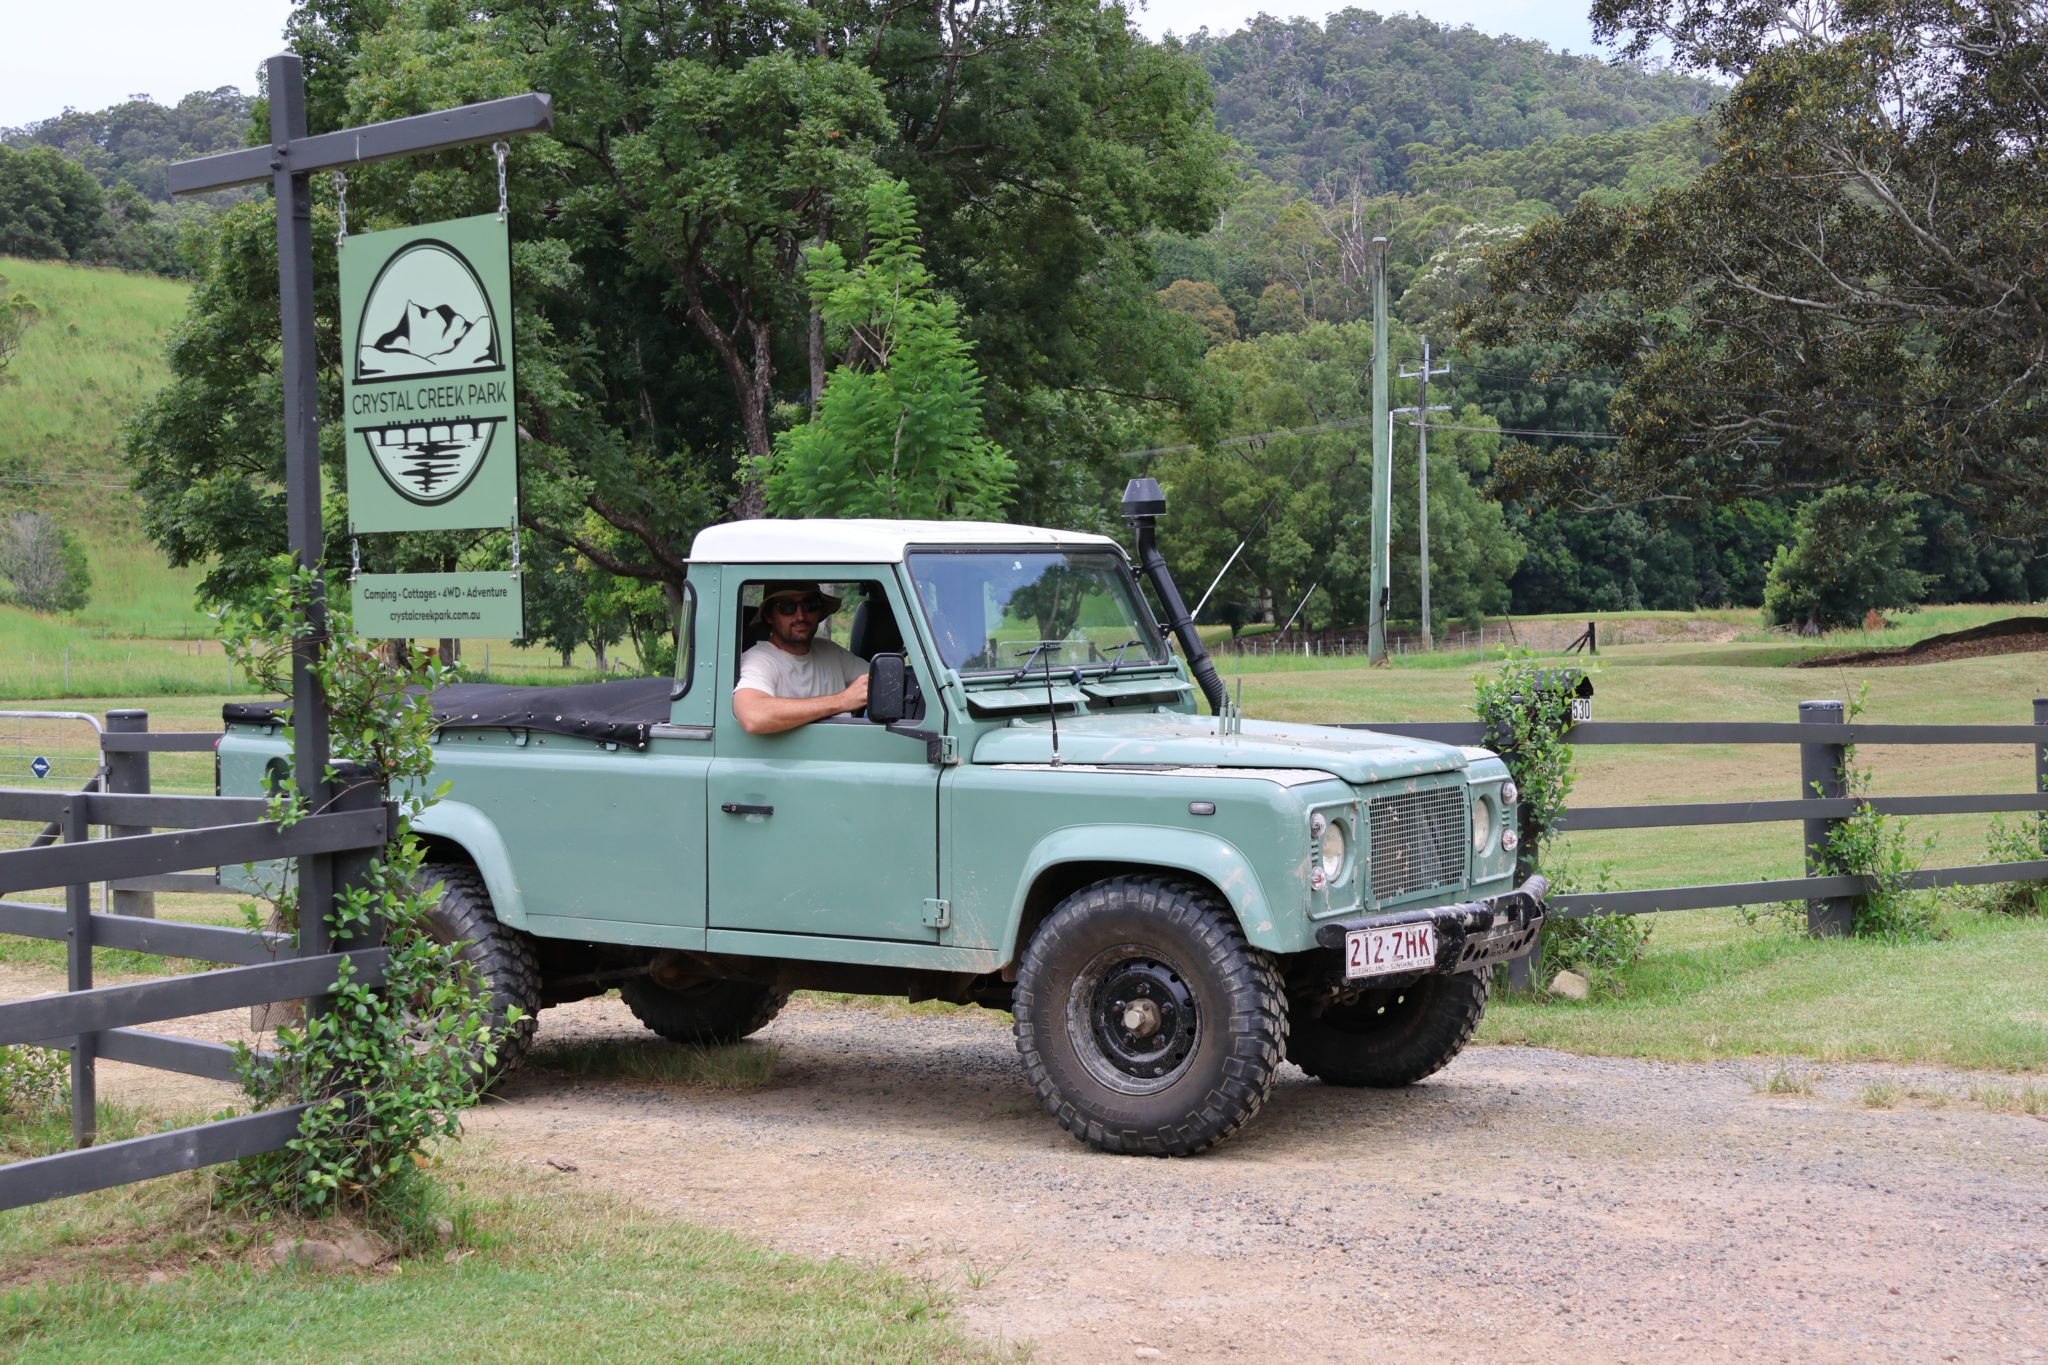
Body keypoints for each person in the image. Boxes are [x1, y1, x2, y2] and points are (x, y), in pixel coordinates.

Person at [732, 582, 870, 735]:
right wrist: (842, 701)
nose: (801, 616)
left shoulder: (830, 651)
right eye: (787, 607)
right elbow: (754, 716)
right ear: (769, 616)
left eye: (809, 604)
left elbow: (880, 681)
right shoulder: (759, 660)